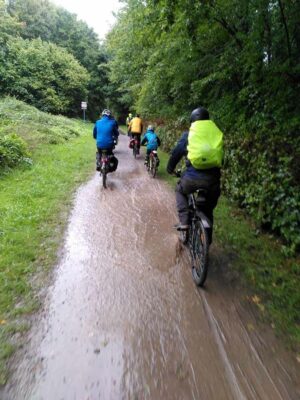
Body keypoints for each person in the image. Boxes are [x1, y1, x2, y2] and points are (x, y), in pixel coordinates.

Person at [167, 106, 223, 243]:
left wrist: (170, 168)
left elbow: (177, 152)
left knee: (180, 189)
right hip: (213, 181)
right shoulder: (216, 134)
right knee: (208, 210)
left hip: (191, 179)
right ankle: (207, 241)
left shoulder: (188, 135)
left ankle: (185, 221)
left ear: (192, 121)